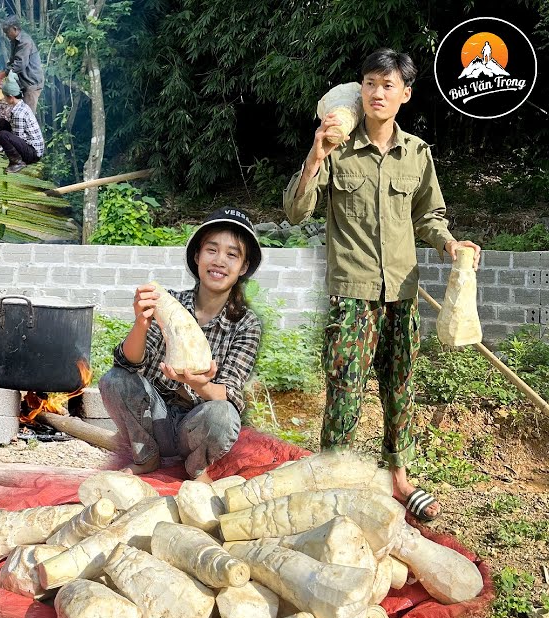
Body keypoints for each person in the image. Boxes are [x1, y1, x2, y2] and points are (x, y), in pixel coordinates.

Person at [283, 48, 481, 522]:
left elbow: (429, 215)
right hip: (351, 294)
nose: (377, 92)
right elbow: (295, 211)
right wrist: (316, 154)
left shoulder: (416, 153)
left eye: (388, 85)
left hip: (402, 294)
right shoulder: (337, 146)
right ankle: (335, 477)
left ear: (405, 95)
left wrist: (449, 244)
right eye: (370, 82)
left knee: (401, 386)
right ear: (360, 90)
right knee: (345, 386)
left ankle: (399, 477)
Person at [99, 208, 264, 480]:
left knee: (223, 415)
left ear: (243, 267)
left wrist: (199, 383)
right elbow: (128, 362)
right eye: (211, 250)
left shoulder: (246, 324)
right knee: (114, 380)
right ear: (197, 256)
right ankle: (147, 455)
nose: (219, 261)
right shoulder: (169, 302)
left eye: (232, 254)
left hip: (197, 428)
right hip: (155, 420)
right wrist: (141, 322)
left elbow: (229, 395)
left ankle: (197, 466)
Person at [0, 75, 44, 174]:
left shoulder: (18, 114)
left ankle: (18, 162)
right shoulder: (21, 105)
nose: (4, 98)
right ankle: (12, 156)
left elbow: (17, 138)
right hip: (28, 145)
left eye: (5, 96)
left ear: (11, 97)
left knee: (3, 135)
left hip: (33, 154)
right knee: (1, 123)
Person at [0, 16, 44, 115]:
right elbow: (12, 62)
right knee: (16, 112)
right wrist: (2, 74)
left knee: (26, 115)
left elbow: (20, 64)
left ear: (15, 29)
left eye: (7, 32)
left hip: (31, 84)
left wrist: (2, 75)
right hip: (22, 83)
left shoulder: (25, 42)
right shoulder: (14, 41)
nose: (6, 35)